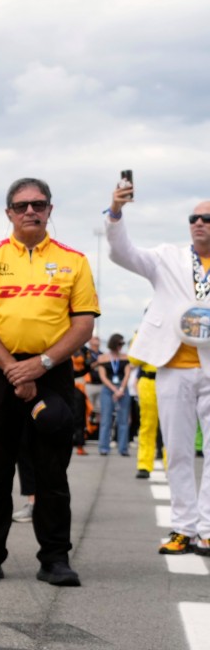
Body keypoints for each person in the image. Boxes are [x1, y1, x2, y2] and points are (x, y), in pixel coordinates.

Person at [0, 178, 97, 587]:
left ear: (50, 210)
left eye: (38, 204)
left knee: (52, 471)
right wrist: (12, 368)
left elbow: (83, 325)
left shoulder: (75, 260)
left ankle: (55, 558)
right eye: (21, 206)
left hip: (53, 373)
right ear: (9, 213)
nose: (30, 211)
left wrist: (42, 363)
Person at [105, 184, 210, 556]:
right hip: (172, 367)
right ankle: (183, 528)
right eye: (193, 218)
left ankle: (207, 528)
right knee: (177, 451)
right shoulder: (168, 258)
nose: (198, 223)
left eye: (206, 218)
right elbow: (123, 253)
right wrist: (116, 213)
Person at [94, 333, 133, 456]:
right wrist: (114, 390)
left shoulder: (125, 357)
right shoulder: (103, 358)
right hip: (108, 388)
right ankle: (104, 447)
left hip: (122, 388)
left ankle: (123, 448)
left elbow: (127, 374)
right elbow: (103, 377)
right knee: (106, 419)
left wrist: (121, 389)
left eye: (122, 343)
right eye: (119, 343)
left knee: (123, 420)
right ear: (114, 343)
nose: (121, 346)